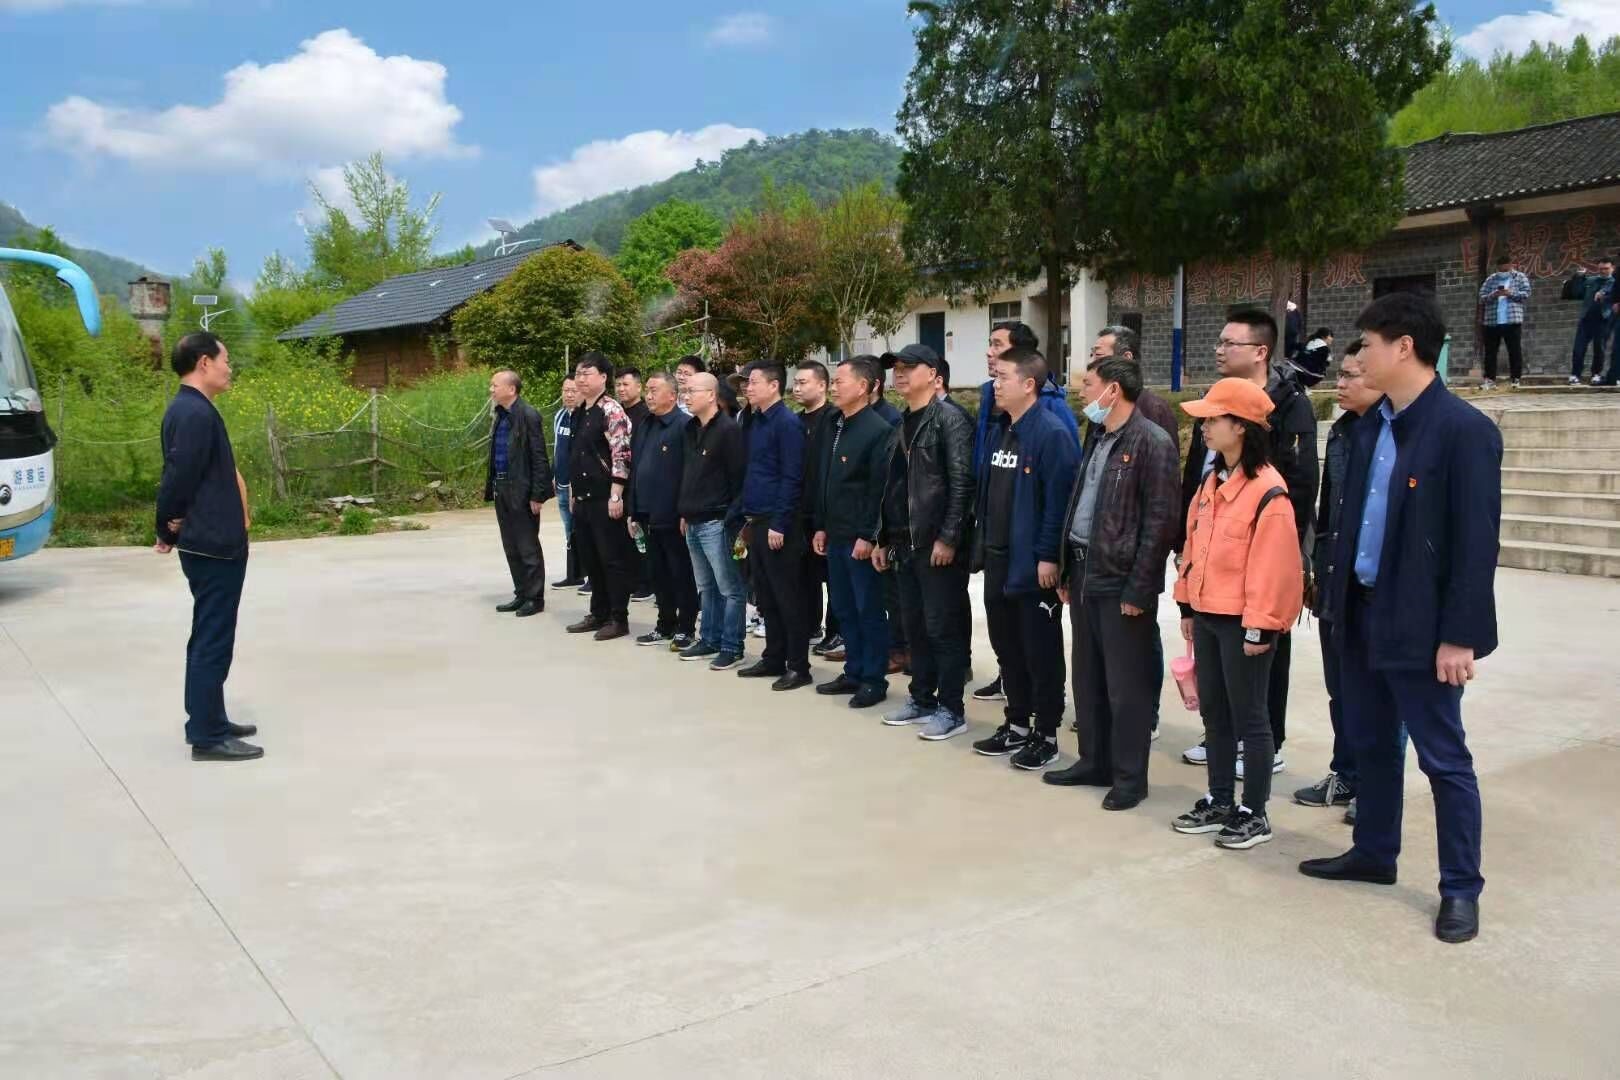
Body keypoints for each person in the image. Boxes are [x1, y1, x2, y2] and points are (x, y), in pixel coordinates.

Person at [1299, 292, 1502, 946]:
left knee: (1443, 759)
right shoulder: (1368, 427)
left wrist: (1460, 636)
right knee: (1372, 743)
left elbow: (1476, 544)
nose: (1358, 358)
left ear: (1404, 347)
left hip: (1422, 624)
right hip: (1360, 612)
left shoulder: (1463, 431)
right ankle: (1374, 851)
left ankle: (1460, 888)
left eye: (1367, 345)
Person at [1175, 309, 1316, 777]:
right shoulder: (1215, 402)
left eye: (1229, 343)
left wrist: (1285, 555)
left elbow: (1300, 484)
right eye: (1219, 341)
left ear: (1260, 351)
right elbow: (1196, 473)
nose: (1219, 350)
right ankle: (1222, 736)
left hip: (1262, 545)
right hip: (1212, 541)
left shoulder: (1288, 404)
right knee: (1219, 661)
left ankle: (1264, 743)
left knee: (1262, 650)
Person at [1170, 378, 1303, 850]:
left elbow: (1274, 567)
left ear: (1242, 426)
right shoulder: (1212, 481)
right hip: (1208, 614)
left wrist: (1260, 627)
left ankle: (1255, 812)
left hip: (1244, 623)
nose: (1204, 427)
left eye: (1213, 419)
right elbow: (1193, 548)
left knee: (1251, 718)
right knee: (1215, 714)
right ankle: (1220, 799)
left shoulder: (1268, 491)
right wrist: (1186, 603)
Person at [1043, 356, 1180, 809]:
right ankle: (1094, 761)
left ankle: (1129, 778)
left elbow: (1160, 522)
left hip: (1122, 579)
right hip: (1086, 570)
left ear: (1113, 389)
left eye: (1088, 384)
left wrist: (1140, 588)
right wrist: (1067, 568)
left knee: (1126, 687)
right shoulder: (1098, 435)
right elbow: (1081, 504)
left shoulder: (1152, 442)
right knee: (1089, 678)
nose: (1081, 392)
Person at [970, 347, 1079, 771]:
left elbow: (1058, 502)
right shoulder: (1002, 430)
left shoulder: (1050, 433)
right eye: (995, 377)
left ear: (1029, 384)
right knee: (1007, 648)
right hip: (998, 559)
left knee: (1040, 652)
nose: (995, 385)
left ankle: (1045, 733)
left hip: (1033, 565)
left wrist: (1049, 556)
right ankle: (1016, 723)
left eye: (1003, 378)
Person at [154, 332, 260, 762]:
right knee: (212, 638)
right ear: (204, 362)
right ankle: (207, 735)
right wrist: (166, 526)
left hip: (216, 541)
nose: (229, 368)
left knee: (210, 634)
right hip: (213, 545)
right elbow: (178, 477)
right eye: (225, 360)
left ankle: (208, 716)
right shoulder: (193, 412)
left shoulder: (193, 409)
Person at [1293, 342, 1381, 814]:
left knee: (1376, 697)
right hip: (1335, 581)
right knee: (1340, 687)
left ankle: (1376, 787)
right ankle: (1346, 774)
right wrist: (1317, 567)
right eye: (1340, 374)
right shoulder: (1343, 433)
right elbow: (1328, 513)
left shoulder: (1394, 436)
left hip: (1373, 590)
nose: (1340, 384)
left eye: (1351, 376)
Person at [872, 344, 976, 738]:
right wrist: (882, 537)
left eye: (909, 367)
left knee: (942, 629)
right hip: (904, 543)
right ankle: (922, 699)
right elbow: (893, 488)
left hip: (936, 546)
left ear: (933, 375)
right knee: (914, 627)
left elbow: (962, 484)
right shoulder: (902, 423)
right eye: (896, 368)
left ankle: (951, 709)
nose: (899, 373)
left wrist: (949, 537)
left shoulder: (950, 420)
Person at [811, 356, 896, 709]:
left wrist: (868, 535)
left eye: (839, 381)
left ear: (863, 387)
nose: (834, 387)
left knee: (868, 610)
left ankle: (874, 679)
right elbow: (825, 479)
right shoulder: (835, 423)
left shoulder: (878, 430)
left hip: (859, 538)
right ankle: (854, 671)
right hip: (835, 533)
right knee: (844, 608)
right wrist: (821, 525)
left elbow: (879, 489)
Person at [738, 362, 812, 690]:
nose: (748, 388)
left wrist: (780, 523)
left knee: (787, 597)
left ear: (773, 386)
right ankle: (773, 657)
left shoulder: (787, 423)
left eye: (754, 382)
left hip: (778, 523)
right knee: (766, 596)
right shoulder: (754, 421)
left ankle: (798, 666)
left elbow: (792, 477)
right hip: (756, 519)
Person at [677, 373, 750, 670]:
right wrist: (685, 511)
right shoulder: (690, 428)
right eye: (684, 391)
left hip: (718, 521)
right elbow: (688, 474)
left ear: (711, 395)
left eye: (691, 391)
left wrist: (733, 521)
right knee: (706, 586)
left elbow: (738, 479)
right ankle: (709, 638)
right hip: (693, 519)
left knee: (729, 587)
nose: (686, 396)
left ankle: (732, 646)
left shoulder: (728, 430)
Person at [565, 352, 635, 641]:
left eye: (587, 373)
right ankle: (599, 612)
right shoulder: (580, 410)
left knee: (611, 559)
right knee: (591, 559)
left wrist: (616, 494)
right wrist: (573, 492)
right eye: (578, 374)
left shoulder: (611, 410)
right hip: (583, 497)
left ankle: (618, 618)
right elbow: (576, 454)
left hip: (605, 497)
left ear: (603, 377)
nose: (581, 379)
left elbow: (622, 453)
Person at [629, 372, 697, 650]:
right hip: (647, 513)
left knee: (680, 573)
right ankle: (664, 623)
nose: (649, 395)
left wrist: (685, 511)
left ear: (672, 395)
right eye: (647, 390)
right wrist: (633, 510)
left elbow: (690, 473)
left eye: (654, 390)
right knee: (658, 574)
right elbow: (636, 468)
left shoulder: (684, 425)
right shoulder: (645, 423)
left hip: (672, 514)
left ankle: (686, 627)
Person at [484, 370, 553, 618]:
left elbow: (539, 457)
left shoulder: (528, 415)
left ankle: (535, 598)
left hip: (522, 490)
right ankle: (522, 593)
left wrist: (537, 494)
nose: (491, 390)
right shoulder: (500, 415)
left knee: (527, 545)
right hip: (502, 487)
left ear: (511, 389)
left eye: (495, 385)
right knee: (511, 545)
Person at [794, 360, 841, 656]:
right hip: (799, 512)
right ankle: (810, 625)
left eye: (803, 382)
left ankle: (836, 631)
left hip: (826, 512)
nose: (797, 388)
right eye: (795, 383)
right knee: (804, 575)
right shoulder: (795, 422)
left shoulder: (835, 420)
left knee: (834, 578)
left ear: (822, 385)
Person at [616, 366, 655, 603]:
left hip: (639, 483)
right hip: (619, 484)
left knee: (641, 534)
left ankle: (646, 582)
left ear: (638, 387)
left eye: (626, 384)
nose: (621, 389)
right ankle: (631, 579)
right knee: (623, 536)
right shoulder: (615, 413)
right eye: (618, 385)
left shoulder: (646, 416)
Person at [551, 376, 586, 590]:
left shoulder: (584, 418)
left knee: (583, 531)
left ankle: (592, 577)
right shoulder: (560, 416)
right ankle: (573, 574)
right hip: (562, 485)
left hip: (578, 488)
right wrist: (555, 476)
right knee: (569, 531)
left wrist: (576, 485)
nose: (569, 395)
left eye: (574, 390)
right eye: (566, 390)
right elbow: (558, 448)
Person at [1477, 256, 1529, 390]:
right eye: (1501, 270)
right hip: (1492, 321)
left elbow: (1526, 294)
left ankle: (1515, 379)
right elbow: (1481, 297)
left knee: (1514, 350)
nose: (1503, 272)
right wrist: (1494, 294)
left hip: (1512, 320)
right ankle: (1490, 380)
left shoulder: (1520, 277)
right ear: (1497, 268)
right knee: (1490, 352)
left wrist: (1510, 293)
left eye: (1506, 269)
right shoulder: (1491, 279)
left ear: (1511, 265)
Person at [1569, 256, 1615, 385]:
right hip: (1586, 319)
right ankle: (1575, 375)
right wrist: (1579, 277)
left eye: (1606, 269)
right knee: (1578, 349)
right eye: (1601, 269)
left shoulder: (1614, 282)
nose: (1603, 271)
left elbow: (1609, 289)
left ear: (1612, 268)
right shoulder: (1591, 280)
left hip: (1603, 319)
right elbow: (1577, 293)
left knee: (1599, 349)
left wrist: (1602, 293)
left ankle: (1596, 374)